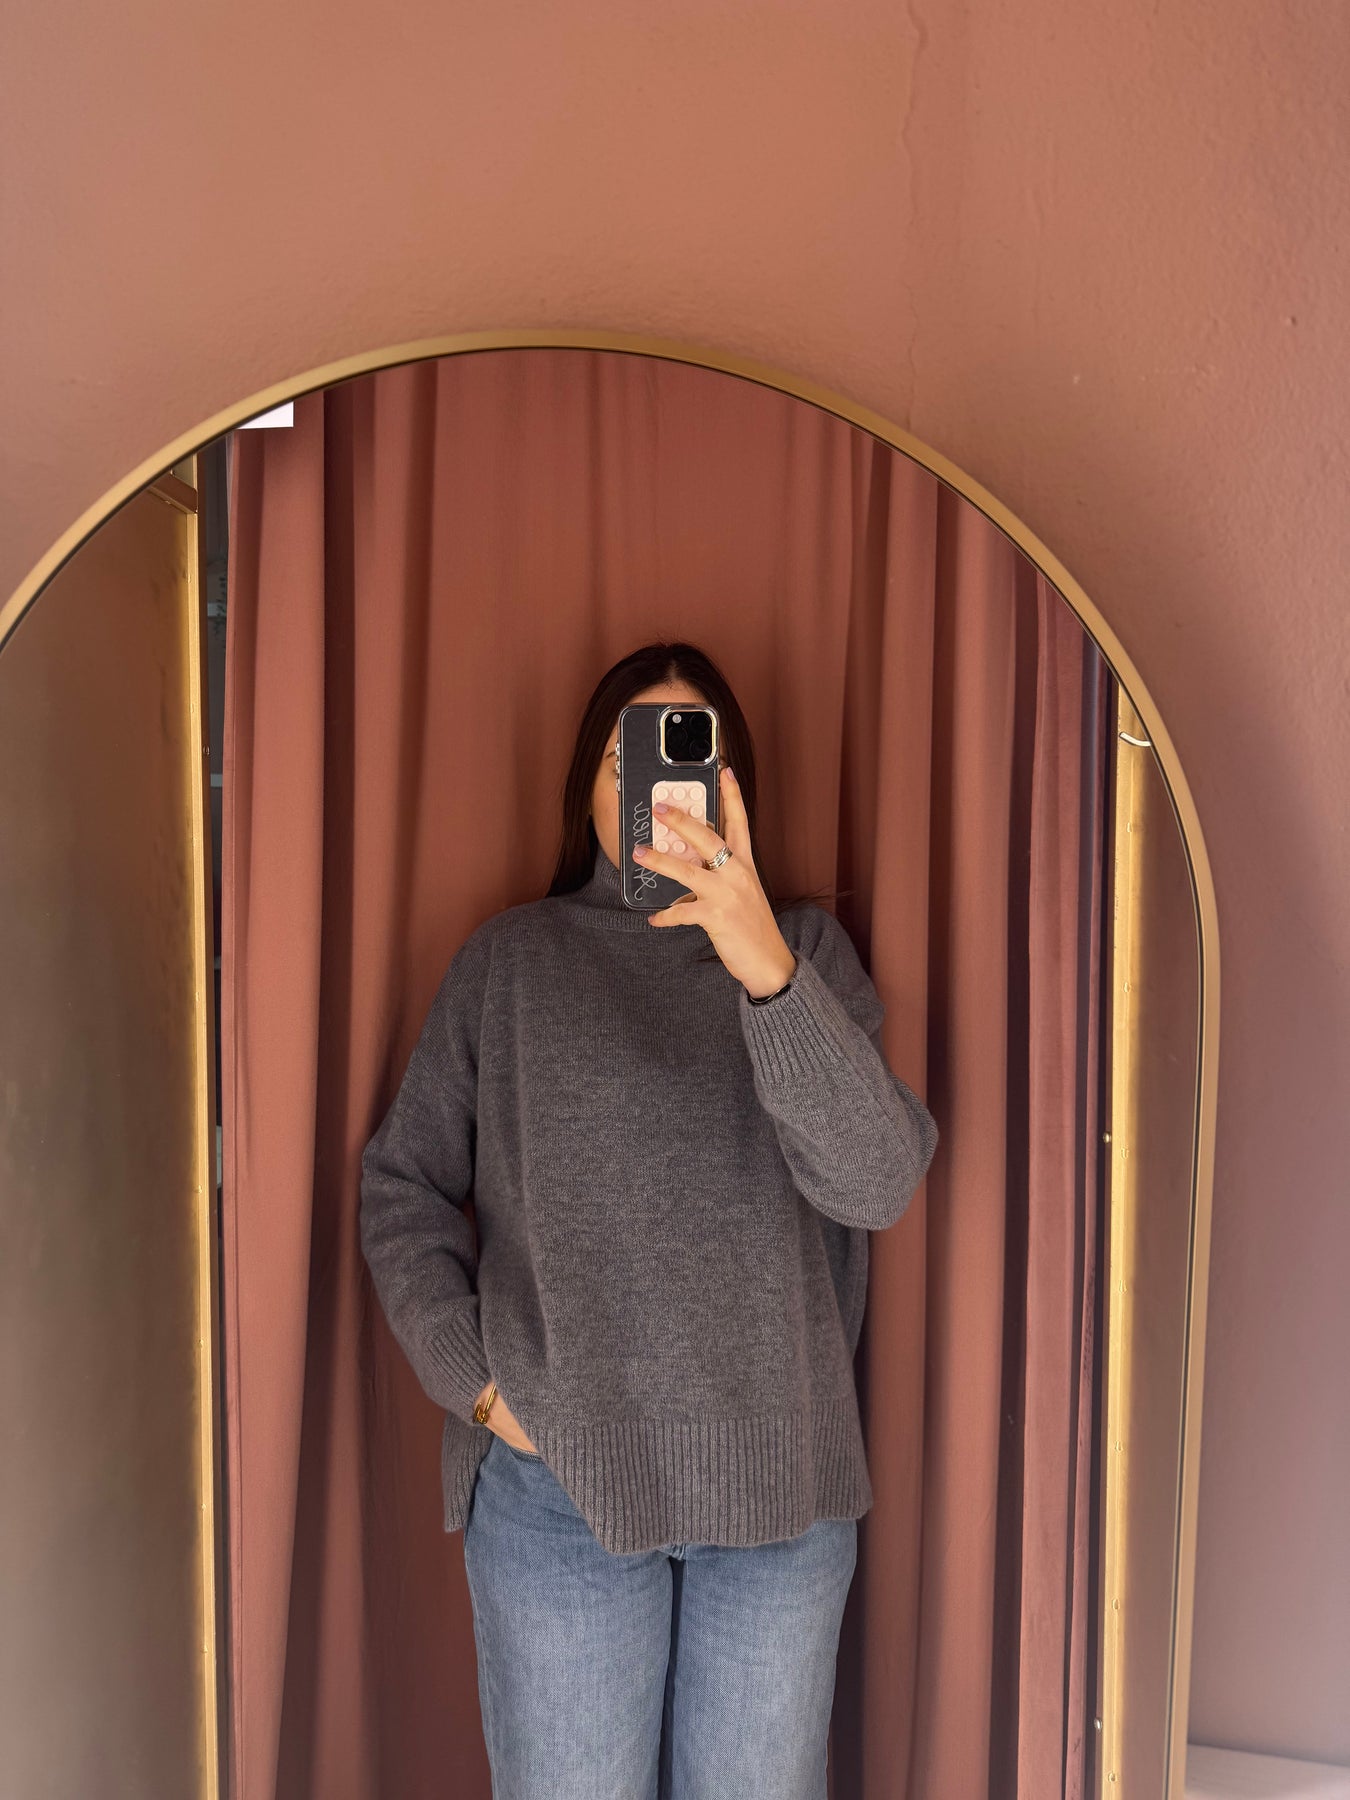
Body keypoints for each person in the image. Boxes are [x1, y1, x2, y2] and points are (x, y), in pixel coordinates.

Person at [359, 639, 939, 1800]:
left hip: (779, 1499)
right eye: (633, 758)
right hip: (560, 1495)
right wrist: (482, 1386)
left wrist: (764, 971)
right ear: (588, 780)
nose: (659, 789)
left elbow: (878, 1185)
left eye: (690, 759)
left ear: (735, 789)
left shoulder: (803, 954)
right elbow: (401, 1187)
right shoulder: (512, 963)